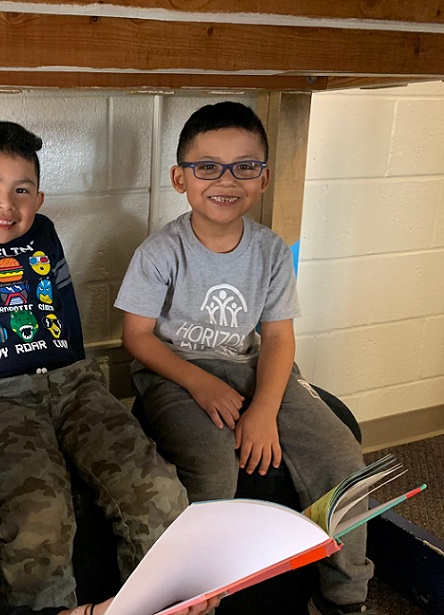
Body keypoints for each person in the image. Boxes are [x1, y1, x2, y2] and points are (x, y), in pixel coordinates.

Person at [114, 102, 374, 615]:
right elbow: (138, 338)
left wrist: (262, 410)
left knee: (343, 457)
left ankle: (346, 595)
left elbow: (278, 339)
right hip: (174, 375)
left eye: (244, 166)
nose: (225, 179)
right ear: (179, 178)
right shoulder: (159, 252)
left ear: (264, 178)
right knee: (212, 469)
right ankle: (199, 600)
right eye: (207, 166)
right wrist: (200, 383)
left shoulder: (272, 251)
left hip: (250, 368)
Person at [0, 121, 189, 610]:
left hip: (73, 382)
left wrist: (80, 372)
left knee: (159, 490)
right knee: (40, 512)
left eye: (22, 190)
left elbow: (64, 308)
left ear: (38, 199)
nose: (5, 203)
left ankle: (160, 604)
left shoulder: (44, 232)